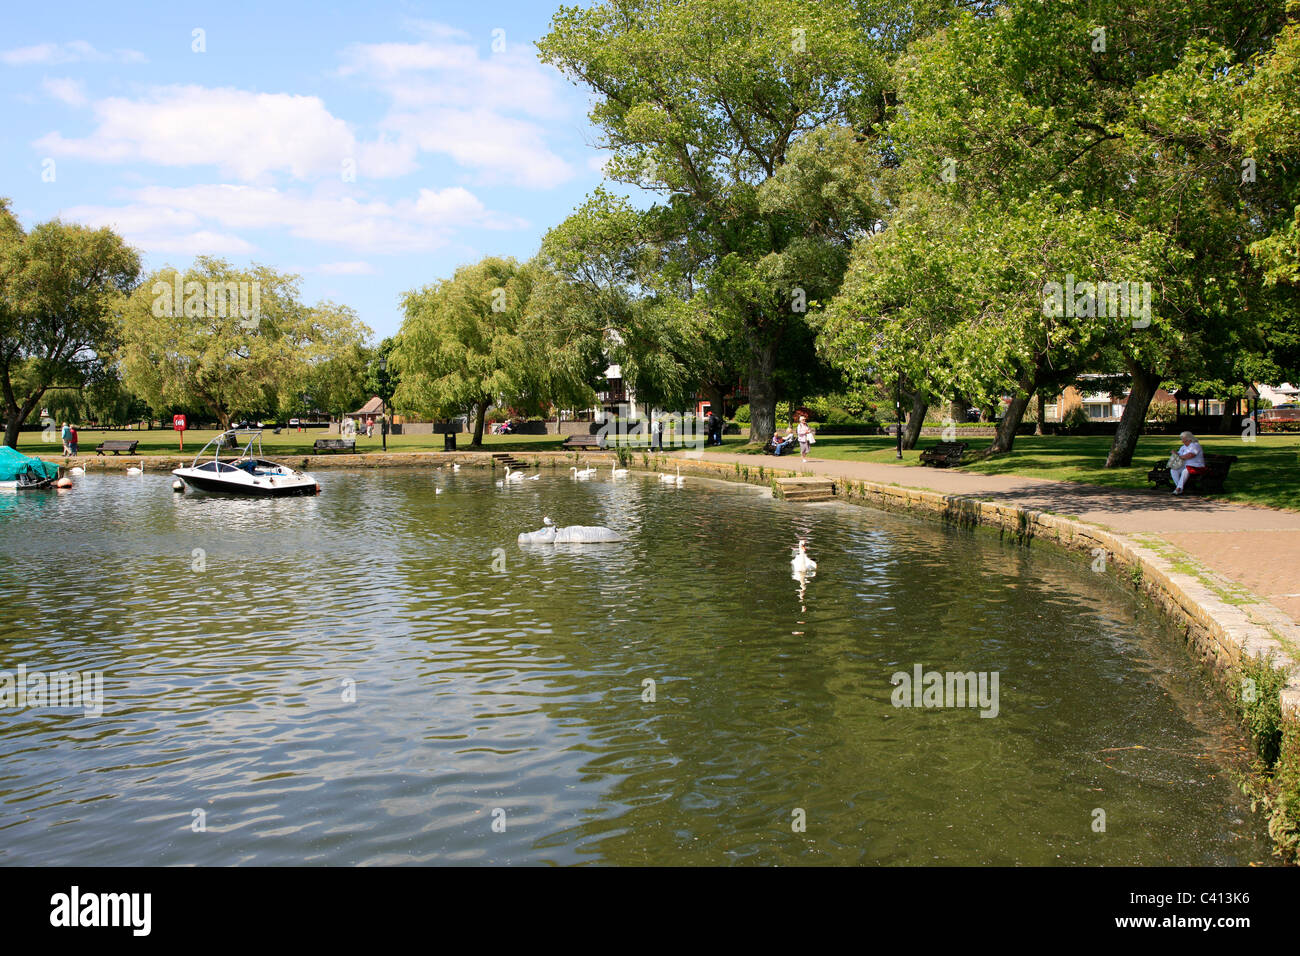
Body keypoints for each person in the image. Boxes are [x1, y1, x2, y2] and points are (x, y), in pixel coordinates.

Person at [1171, 430, 1206, 495]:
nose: (1183, 441)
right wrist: (1175, 453)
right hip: (1186, 465)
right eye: (1182, 440)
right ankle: (1179, 488)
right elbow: (1180, 454)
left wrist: (1179, 457)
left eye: (1184, 440)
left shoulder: (1195, 445)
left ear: (1189, 439)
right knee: (1174, 470)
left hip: (1196, 466)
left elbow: (1191, 455)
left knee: (1185, 471)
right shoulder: (1183, 447)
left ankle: (1178, 489)